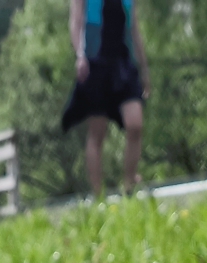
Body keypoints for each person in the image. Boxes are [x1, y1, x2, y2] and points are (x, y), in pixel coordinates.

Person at [62, 0, 148, 197]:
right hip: (95, 60)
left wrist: (144, 70)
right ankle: (98, 195)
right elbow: (75, 21)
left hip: (125, 63)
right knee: (97, 132)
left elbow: (134, 29)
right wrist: (80, 55)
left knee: (135, 125)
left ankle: (129, 187)